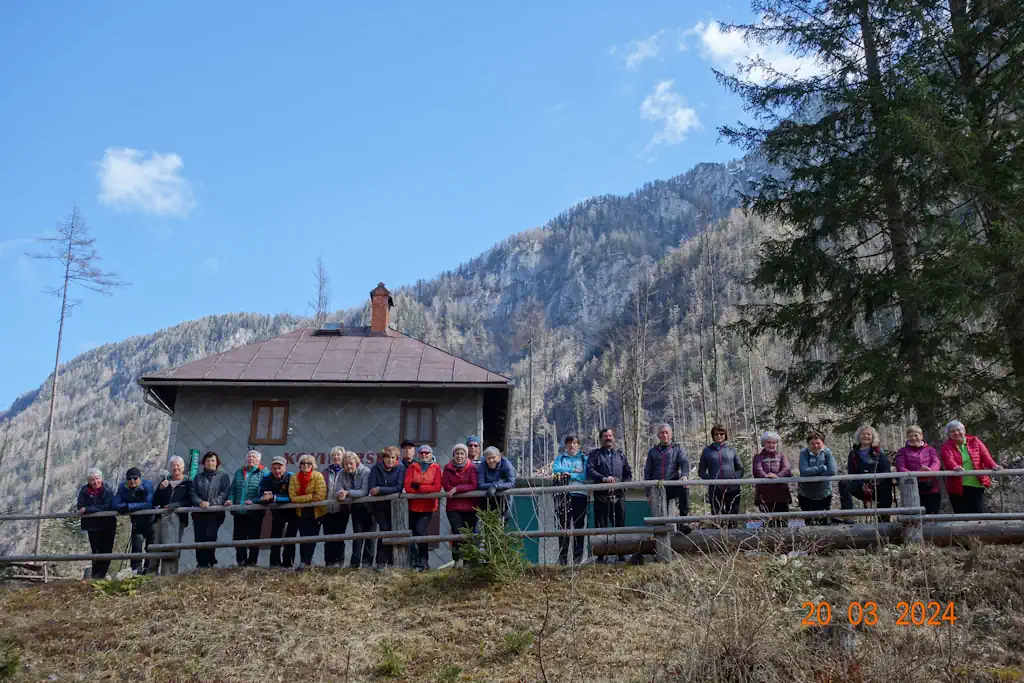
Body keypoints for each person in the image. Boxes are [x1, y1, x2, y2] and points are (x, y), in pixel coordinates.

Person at [587, 428, 632, 564]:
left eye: (610, 435)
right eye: (605, 436)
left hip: (619, 495)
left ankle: (621, 554)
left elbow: (628, 473)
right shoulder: (595, 454)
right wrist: (603, 479)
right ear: (601, 439)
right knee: (601, 526)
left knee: (620, 525)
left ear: (613, 437)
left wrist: (623, 485)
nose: (608, 438)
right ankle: (601, 556)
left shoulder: (620, 454)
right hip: (601, 496)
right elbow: (590, 470)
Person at [940, 420, 1001, 514]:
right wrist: (955, 467)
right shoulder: (946, 447)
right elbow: (948, 460)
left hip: (975, 484)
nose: (956, 433)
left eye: (958, 430)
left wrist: (994, 465)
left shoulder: (975, 441)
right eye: (953, 431)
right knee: (961, 515)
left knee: (978, 514)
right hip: (957, 487)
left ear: (964, 431)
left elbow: (985, 455)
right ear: (949, 434)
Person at [839, 426, 894, 520]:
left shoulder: (879, 452)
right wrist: (862, 485)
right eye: (863, 434)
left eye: (868, 434)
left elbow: (886, 469)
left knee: (887, 484)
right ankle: (848, 516)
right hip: (860, 486)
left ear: (873, 437)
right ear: (859, 436)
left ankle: (884, 520)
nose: (866, 436)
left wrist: (874, 483)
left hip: (878, 486)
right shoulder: (853, 454)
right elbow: (852, 473)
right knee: (843, 483)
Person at [190, 451, 232, 568]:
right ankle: (201, 564)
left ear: (217, 462)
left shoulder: (223, 476)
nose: (210, 463)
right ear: (204, 463)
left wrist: (211, 503)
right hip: (199, 513)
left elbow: (224, 494)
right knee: (199, 538)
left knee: (210, 536)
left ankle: (210, 561)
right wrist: (200, 502)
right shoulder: (198, 477)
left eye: (213, 460)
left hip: (215, 513)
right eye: (208, 461)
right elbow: (192, 493)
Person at [644, 424, 690, 531]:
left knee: (684, 487)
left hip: (673, 484)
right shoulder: (652, 452)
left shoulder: (677, 449)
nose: (664, 435)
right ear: (658, 435)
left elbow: (684, 462)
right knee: (661, 517)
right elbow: (647, 471)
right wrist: (648, 492)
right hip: (658, 487)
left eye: (666, 432)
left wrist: (684, 476)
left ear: (671, 434)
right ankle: (661, 533)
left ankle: (683, 521)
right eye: (662, 433)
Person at [404, 445, 443, 572]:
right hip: (413, 506)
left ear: (431, 454)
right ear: (418, 454)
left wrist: (419, 487)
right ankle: (414, 561)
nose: (424, 455)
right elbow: (407, 487)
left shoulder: (436, 468)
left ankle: (424, 560)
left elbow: (437, 487)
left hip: (428, 506)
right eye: (422, 453)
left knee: (421, 530)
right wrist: (426, 488)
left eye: (427, 453)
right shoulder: (412, 467)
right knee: (413, 532)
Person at [367, 446, 406, 569]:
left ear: (396, 459)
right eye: (387, 457)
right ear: (383, 458)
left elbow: (398, 488)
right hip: (378, 506)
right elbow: (371, 488)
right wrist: (384, 490)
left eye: (393, 457)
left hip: (394, 506)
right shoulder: (376, 468)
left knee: (394, 531)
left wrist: (380, 489)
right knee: (384, 529)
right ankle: (381, 562)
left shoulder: (400, 468)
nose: (390, 460)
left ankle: (392, 562)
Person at [698, 423, 744, 527]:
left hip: (732, 489)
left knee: (733, 518)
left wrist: (734, 477)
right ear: (713, 436)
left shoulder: (732, 450)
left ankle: (732, 535)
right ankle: (718, 537)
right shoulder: (707, 451)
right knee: (717, 519)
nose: (719, 436)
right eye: (716, 434)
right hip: (715, 489)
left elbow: (740, 469)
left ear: (725, 435)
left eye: (722, 434)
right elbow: (701, 472)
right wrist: (711, 480)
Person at [553, 434, 589, 565]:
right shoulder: (560, 458)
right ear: (565, 445)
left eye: (574, 443)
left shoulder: (584, 459)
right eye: (569, 443)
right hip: (563, 494)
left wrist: (570, 474)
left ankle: (577, 557)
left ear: (578, 445)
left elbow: (585, 475)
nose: (571, 445)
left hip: (580, 495)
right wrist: (574, 471)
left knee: (579, 526)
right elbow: (556, 469)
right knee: (563, 525)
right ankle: (563, 557)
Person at [113, 466, 155, 574]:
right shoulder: (122, 487)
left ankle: (149, 570)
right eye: (129, 478)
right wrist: (125, 507)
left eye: (135, 478)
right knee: (136, 547)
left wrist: (129, 507)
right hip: (137, 522)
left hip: (151, 521)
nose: (132, 481)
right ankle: (136, 571)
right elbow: (115, 504)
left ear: (140, 478)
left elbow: (149, 504)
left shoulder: (147, 485)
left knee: (150, 547)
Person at [288, 454, 327, 569]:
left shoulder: (318, 476)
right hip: (301, 512)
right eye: (303, 463)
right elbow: (292, 498)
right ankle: (303, 562)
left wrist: (302, 498)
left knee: (312, 538)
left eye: (308, 463)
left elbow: (320, 496)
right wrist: (310, 496)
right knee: (303, 538)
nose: (305, 465)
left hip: (317, 512)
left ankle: (306, 562)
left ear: (313, 465)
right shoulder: (294, 477)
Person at [443, 443, 479, 567]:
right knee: (457, 533)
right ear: (453, 455)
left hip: (470, 507)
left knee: (469, 534)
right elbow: (446, 486)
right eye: (457, 453)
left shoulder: (472, 468)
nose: (459, 456)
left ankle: (469, 562)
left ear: (466, 455)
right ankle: (457, 559)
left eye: (462, 453)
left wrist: (456, 489)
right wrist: (457, 489)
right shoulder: (447, 468)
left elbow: (473, 485)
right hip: (453, 507)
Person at [77, 468, 116, 580]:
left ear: (101, 478)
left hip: (107, 525)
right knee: (96, 550)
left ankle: (101, 575)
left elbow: (108, 506)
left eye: (97, 479)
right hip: (92, 526)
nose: (95, 482)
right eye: (92, 480)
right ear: (89, 481)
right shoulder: (84, 491)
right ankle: (96, 576)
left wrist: (89, 509)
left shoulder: (107, 489)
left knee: (107, 550)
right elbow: (80, 506)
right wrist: (92, 509)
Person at [258, 455, 297, 568]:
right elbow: (261, 492)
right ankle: (274, 563)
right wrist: (264, 497)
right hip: (277, 512)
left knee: (291, 536)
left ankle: (288, 563)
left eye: (279, 468)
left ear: (285, 468)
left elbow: (292, 496)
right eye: (274, 468)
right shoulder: (267, 478)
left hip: (292, 511)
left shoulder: (292, 477)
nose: (277, 471)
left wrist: (275, 498)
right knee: (275, 535)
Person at [337, 451, 374, 569]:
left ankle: (367, 563)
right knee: (357, 535)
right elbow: (338, 489)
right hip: (356, 508)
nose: (349, 466)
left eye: (351, 463)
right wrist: (340, 493)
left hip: (370, 508)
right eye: (346, 464)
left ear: (356, 463)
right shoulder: (341, 473)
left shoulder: (365, 471)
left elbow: (364, 491)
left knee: (370, 536)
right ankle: (355, 563)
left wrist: (347, 493)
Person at [229, 449, 266, 567]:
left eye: (254, 457)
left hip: (254, 511)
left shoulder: (263, 473)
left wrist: (254, 501)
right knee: (238, 537)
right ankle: (241, 562)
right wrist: (230, 499)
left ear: (259, 460)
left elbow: (264, 492)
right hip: (239, 510)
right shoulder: (239, 472)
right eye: (249, 457)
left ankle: (252, 562)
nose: (251, 459)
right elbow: (233, 488)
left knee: (254, 537)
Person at [895, 425, 942, 515]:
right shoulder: (902, 451)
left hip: (931, 488)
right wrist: (919, 472)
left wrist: (929, 471)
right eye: (911, 436)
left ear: (921, 436)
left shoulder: (930, 449)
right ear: (907, 437)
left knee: (932, 515)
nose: (913, 438)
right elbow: (901, 468)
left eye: (916, 435)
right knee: (914, 517)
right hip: (912, 489)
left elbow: (936, 462)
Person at [752, 431, 792, 527]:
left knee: (783, 523)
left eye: (774, 442)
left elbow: (787, 470)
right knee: (768, 524)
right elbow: (757, 470)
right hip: (765, 496)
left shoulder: (782, 456)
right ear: (764, 443)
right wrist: (766, 476)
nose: (771, 445)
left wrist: (777, 476)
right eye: (769, 442)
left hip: (781, 496)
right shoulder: (758, 457)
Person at [798, 432, 837, 525]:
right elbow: (804, 471)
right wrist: (822, 468)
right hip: (806, 493)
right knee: (809, 523)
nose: (815, 446)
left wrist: (813, 473)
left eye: (818, 443)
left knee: (823, 522)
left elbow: (832, 471)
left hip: (824, 493)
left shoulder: (827, 452)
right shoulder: (804, 453)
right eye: (812, 443)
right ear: (808, 444)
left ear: (823, 443)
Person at [321, 447, 348, 567]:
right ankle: (329, 562)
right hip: (327, 509)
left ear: (343, 457)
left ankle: (339, 561)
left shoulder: (346, 471)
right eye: (333, 455)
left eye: (338, 455)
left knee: (340, 536)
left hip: (342, 509)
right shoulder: (325, 472)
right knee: (328, 536)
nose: (336, 457)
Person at [477, 446, 516, 523]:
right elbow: (480, 484)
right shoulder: (482, 465)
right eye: (488, 458)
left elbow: (511, 483)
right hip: (488, 499)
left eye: (493, 457)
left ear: (499, 457)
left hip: (504, 501)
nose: (491, 460)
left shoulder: (506, 464)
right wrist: (494, 485)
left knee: (501, 524)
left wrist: (496, 486)